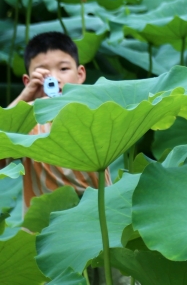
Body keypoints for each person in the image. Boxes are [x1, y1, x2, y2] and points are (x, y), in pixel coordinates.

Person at [0, 32, 111, 214]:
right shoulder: (27, 121)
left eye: (64, 69)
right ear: (28, 81)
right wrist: (24, 98)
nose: (55, 78)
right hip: (43, 228)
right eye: (43, 72)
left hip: (98, 221)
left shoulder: (97, 110)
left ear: (80, 74)